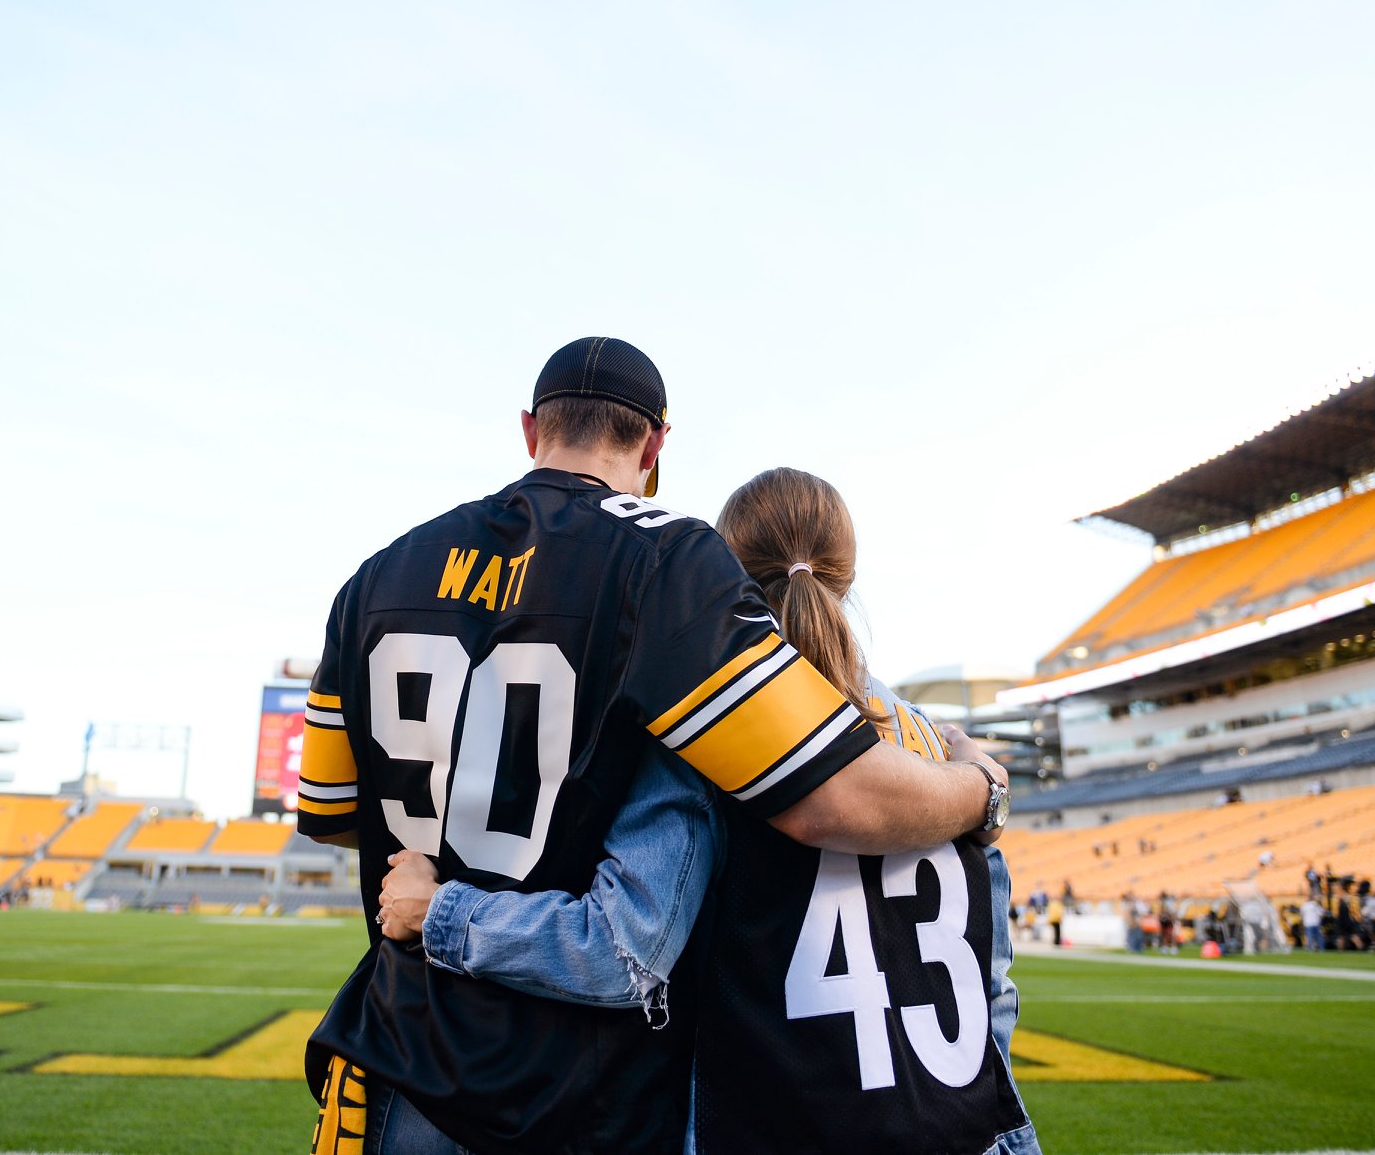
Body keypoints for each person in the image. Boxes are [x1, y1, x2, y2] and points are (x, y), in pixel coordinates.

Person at [299, 342, 1008, 1155]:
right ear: (655, 445)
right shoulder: (667, 558)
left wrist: (448, 858)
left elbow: (331, 814)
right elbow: (830, 797)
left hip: (403, 1043)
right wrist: (979, 784)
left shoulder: (377, 573)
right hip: (572, 1080)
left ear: (531, 430)